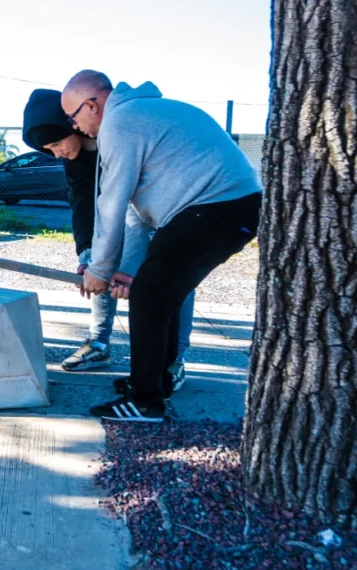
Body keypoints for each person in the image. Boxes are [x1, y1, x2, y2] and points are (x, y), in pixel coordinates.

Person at [60, 70, 262, 422]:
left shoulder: (120, 124)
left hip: (216, 206)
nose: (74, 126)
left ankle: (145, 401)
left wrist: (99, 271)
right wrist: (125, 270)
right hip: (221, 207)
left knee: (152, 296)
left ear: (91, 105)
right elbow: (137, 214)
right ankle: (156, 381)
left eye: (73, 117)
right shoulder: (142, 114)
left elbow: (112, 204)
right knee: (159, 293)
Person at [21, 89, 196, 387]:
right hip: (130, 212)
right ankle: (99, 344)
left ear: (74, 126)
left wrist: (121, 268)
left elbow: (131, 210)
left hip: (175, 207)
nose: (56, 153)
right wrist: (88, 254)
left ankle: (175, 358)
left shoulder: (121, 137)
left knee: (174, 276)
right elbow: (82, 202)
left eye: (57, 144)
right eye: (49, 149)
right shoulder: (75, 156)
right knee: (99, 262)